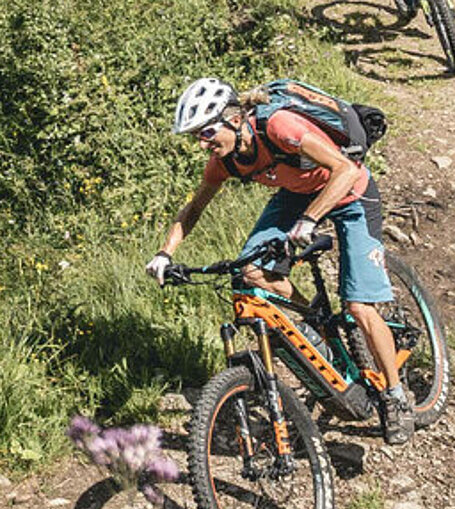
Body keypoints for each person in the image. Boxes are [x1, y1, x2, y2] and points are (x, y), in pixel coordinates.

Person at [145, 77, 414, 444]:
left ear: (235, 119)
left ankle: (397, 398)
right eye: (197, 136)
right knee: (250, 271)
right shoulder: (225, 161)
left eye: (207, 132)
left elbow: (345, 170)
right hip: (296, 195)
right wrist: (165, 253)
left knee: (359, 306)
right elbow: (193, 209)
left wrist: (309, 220)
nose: (203, 143)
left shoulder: (279, 126)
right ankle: (316, 319)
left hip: (350, 194)